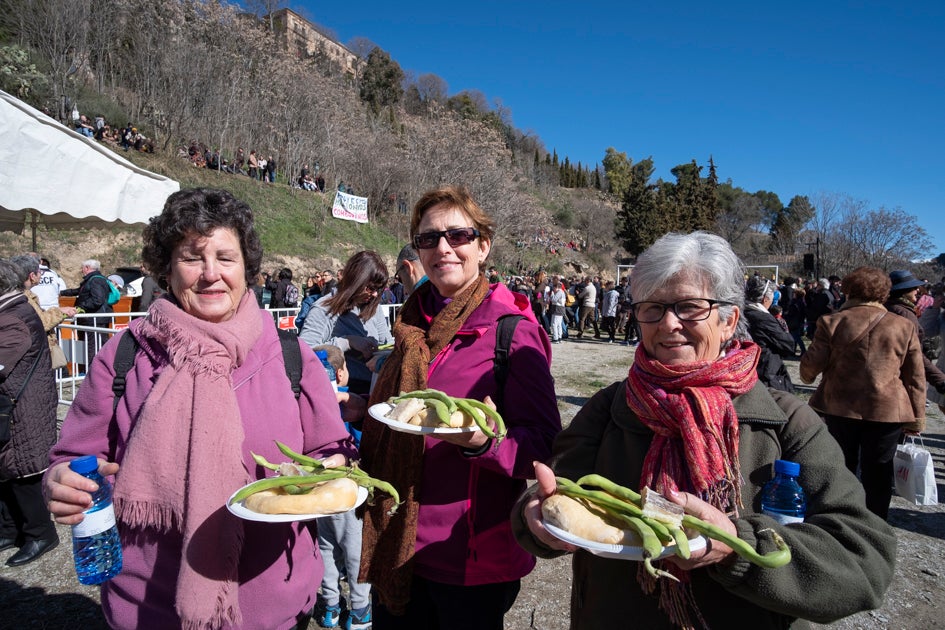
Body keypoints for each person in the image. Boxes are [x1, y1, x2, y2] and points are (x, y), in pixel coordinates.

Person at [513, 231, 896, 629]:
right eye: (653, 308)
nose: (668, 324)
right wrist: (535, 519)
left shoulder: (785, 421)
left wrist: (736, 546)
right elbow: (553, 500)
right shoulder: (610, 407)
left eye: (689, 307)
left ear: (729, 319)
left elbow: (863, 560)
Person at [44, 188, 357, 629]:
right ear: (167, 270)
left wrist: (334, 466)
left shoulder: (290, 356)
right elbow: (70, 459)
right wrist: (60, 482)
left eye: (226, 258)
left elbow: (332, 447)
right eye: (192, 257)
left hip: (271, 608)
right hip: (148, 609)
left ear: (247, 269)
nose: (211, 274)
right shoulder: (126, 353)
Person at [358, 185, 561, 629]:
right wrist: (360, 409)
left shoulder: (512, 331)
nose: (443, 248)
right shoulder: (411, 324)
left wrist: (481, 443)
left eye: (459, 236)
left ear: (483, 246)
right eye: (428, 238)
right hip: (397, 540)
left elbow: (544, 446)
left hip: (468, 559)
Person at [800, 266, 925, 520]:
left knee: (840, 466)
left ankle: (840, 518)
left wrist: (808, 373)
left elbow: (810, 368)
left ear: (848, 290)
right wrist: (917, 417)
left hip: (839, 407)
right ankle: (875, 525)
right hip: (888, 410)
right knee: (879, 472)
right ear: (883, 293)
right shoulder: (903, 325)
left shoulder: (832, 321)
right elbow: (915, 377)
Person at [0, 259, 60, 567]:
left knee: (23, 472)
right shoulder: (12, 311)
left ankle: (41, 533)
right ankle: (12, 529)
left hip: (23, 405)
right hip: (16, 403)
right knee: (8, 470)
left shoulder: (13, 318)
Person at [311, 344, 372, 630]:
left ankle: (331, 607)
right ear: (340, 372)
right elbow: (360, 444)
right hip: (348, 492)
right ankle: (360, 612)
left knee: (325, 548)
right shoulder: (343, 403)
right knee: (355, 553)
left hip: (317, 489)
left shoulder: (310, 402)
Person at [299, 251, 393, 395]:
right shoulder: (323, 309)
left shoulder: (373, 305)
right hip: (345, 391)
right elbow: (305, 353)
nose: (375, 294)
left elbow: (385, 340)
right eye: (370, 288)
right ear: (355, 281)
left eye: (378, 289)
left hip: (376, 386)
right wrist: (347, 342)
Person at [884, 270, 945, 399]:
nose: (918, 290)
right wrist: (934, 309)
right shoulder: (904, 313)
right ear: (904, 291)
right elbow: (914, 350)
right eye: (914, 288)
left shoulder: (887, 307)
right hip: (899, 374)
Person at [10, 255, 75, 371]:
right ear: (32, 276)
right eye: (39, 272)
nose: (41, 274)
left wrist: (59, 310)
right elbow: (40, 322)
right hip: (32, 354)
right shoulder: (23, 297)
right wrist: (59, 313)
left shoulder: (17, 294)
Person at [743, 275, 795, 392]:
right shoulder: (763, 318)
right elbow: (788, 345)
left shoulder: (740, 312)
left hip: (747, 369)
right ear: (765, 299)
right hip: (765, 373)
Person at [59, 259, 114, 366]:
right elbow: (79, 291)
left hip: (95, 320)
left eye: (82, 268)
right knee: (97, 344)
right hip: (97, 318)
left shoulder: (95, 280)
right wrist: (62, 292)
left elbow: (97, 300)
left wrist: (79, 308)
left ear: (87, 268)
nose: (81, 270)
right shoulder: (94, 279)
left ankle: (92, 371)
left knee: (92, 346)